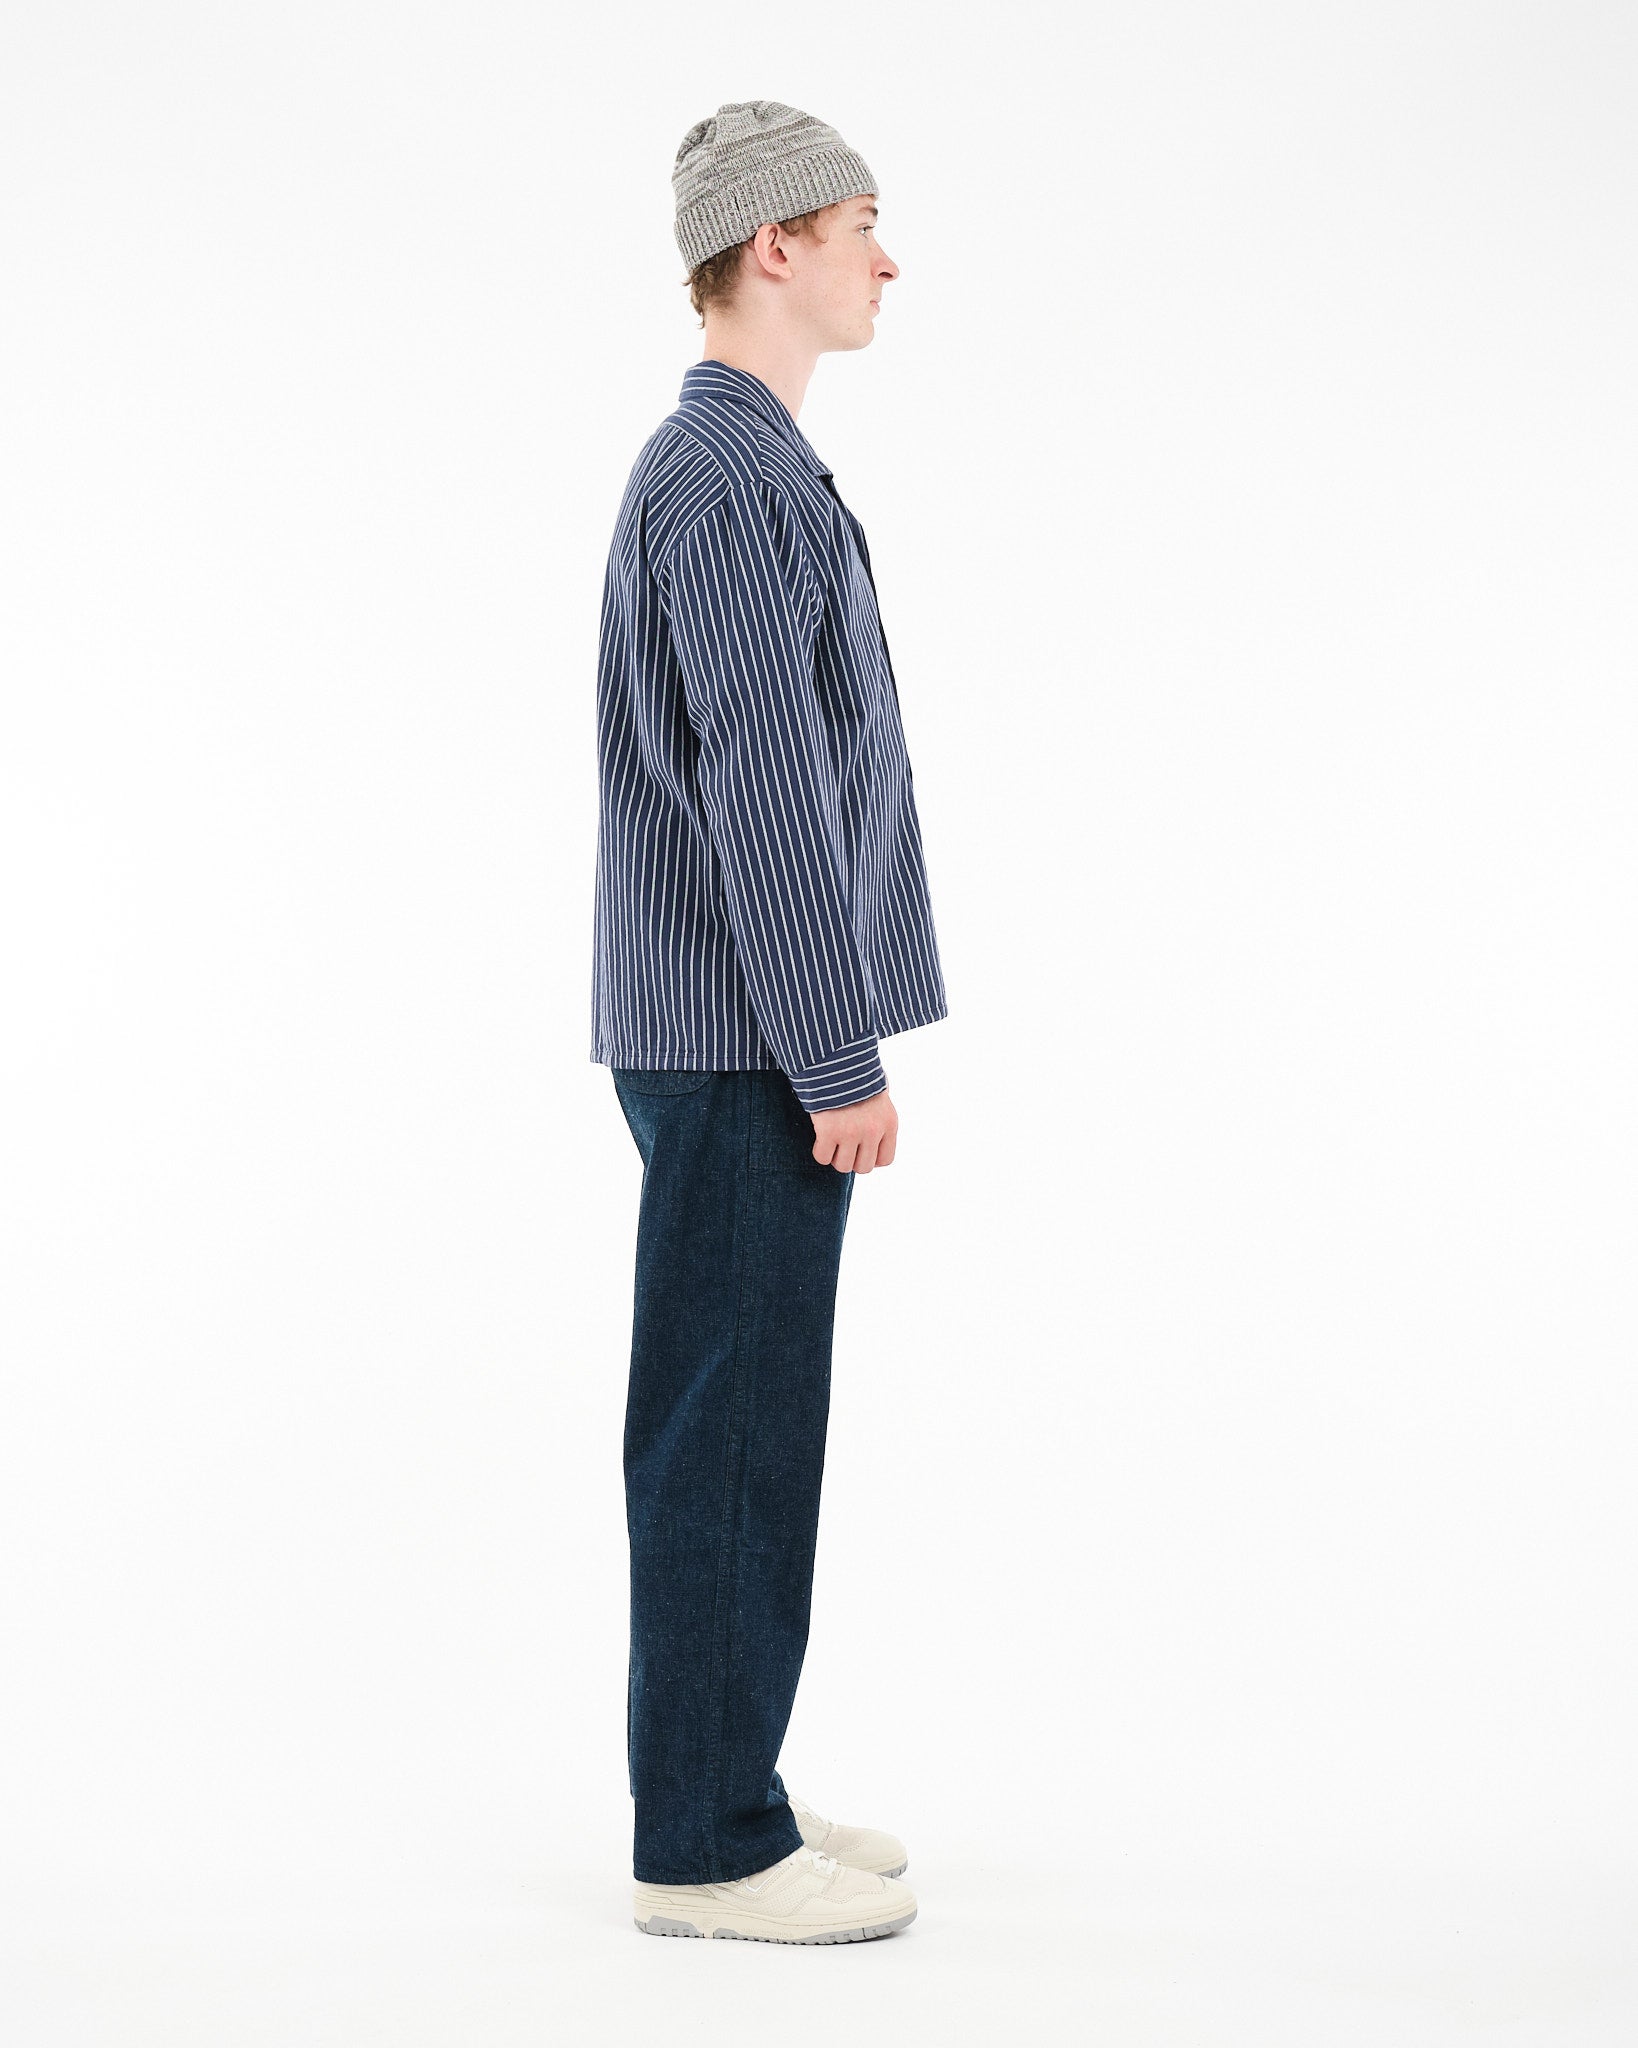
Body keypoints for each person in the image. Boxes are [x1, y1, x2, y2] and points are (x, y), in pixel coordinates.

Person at [589, 99, 949, 1945]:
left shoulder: (747, 463)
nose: (890, 257)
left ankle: (725, 1779)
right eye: (861, 221)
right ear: (773, 244)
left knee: (738, 1419)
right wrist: (835, 1052)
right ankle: (710, 1849)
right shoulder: (726, 477)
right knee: (728, 1431)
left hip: (736, 1033)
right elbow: (762, 790)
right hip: (746, 1042)